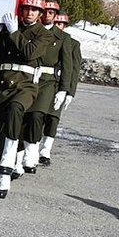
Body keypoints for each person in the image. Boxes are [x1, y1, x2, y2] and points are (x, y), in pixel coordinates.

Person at [0, 0, 55, 198]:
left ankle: (4, 171)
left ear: (40, 14)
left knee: (15, 109)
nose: (29, 13)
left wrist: (13, 33)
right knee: (4, 125)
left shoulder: (44, 34)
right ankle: (14, 161)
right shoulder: (11, 27)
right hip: (3, 83)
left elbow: (30, 52)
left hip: (25, 85)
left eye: (34, 10)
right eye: (26, 9)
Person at [19, 0, 73, 174]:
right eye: (46, 12)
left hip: (48, 82)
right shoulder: (34, 31)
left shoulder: (63, 38)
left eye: (52, 13)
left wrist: (65, 90)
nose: (48, 16)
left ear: (55, 16)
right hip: (28, 77)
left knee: (36, 116)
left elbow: (68, 65)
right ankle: (18, 153)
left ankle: (31, 154)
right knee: (23, 116)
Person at [40, 13, 81, 166]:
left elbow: (73, 69)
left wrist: (70, 92)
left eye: (61, 24)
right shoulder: (42, 37)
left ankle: (45, 150)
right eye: (55, 23)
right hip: (44, 82)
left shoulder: (72, 43)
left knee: (52, 119)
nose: (57, 27)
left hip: (58, 84)